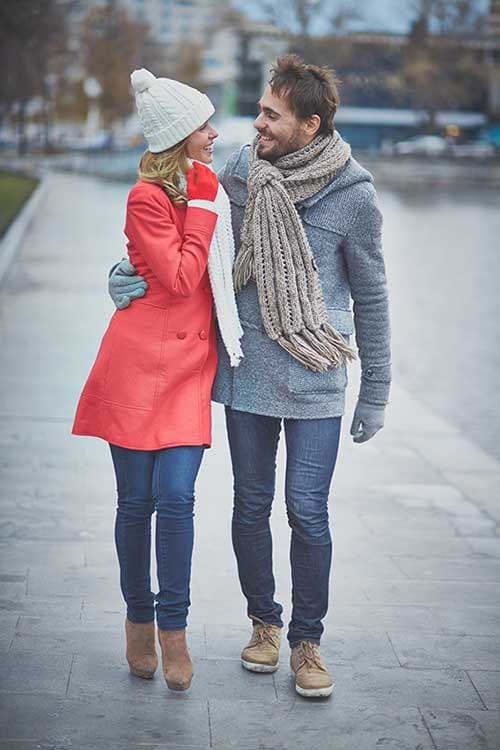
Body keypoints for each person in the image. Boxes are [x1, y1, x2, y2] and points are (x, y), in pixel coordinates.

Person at [109, 55, 391, 699]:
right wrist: (122, 278)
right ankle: (265, 624)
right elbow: (176, 236)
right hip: (248, 370)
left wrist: (375, 389)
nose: (255, 123)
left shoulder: (354, 194)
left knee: (307, 511)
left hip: (318, 374)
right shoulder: (238, 173)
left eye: (270, 114)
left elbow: (372, 296)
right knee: (251, 505)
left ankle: (307, 641)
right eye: (260, 110)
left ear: (310, 124)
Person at [73, 68, 242, 692]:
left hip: (188, 369)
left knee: (177, 500)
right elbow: (176, 275)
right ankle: (138, 621)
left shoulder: (214, 189)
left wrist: (205, 200)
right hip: (137, 363)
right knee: (134, 503)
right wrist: (198, 206)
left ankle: (175, 627)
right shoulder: (148, 197)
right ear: (179, 136)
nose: (213, 134)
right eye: (203, 126)